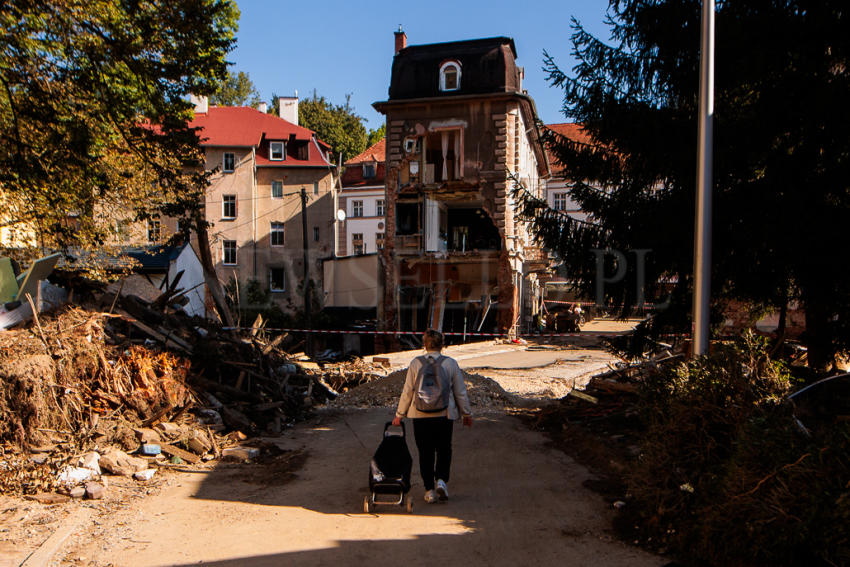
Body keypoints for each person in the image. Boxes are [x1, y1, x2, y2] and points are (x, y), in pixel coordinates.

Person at [392, 329, 472, 504]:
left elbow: (407, 391)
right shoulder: (450, 364)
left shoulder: (415, 364)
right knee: (444, 449)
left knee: (425, 452)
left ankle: (429, 490)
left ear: (424, 344)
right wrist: (466, 413)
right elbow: (460, 391)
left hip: (419, 415)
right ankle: (441, 481)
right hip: (445, 414)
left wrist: (399, 415)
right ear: (441, 345)